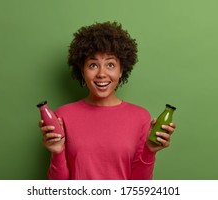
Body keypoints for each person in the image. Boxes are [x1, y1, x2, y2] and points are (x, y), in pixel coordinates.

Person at [39, 21, 176, 180]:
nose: (101, 74)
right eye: (92, 65)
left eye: (110, 65)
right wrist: (57, 152)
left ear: (121, 70)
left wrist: (149, 151)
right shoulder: (63, 115)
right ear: (82, 71)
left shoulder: (140, 117)